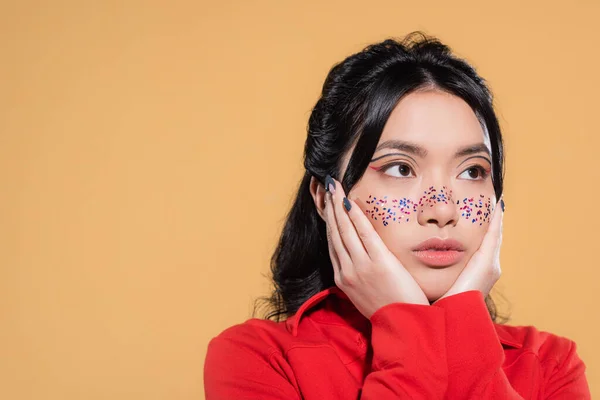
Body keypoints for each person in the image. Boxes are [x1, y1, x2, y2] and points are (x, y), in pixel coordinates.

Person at [203, 31, 590, 399]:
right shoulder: (261, 360)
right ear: (325, 197)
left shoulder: (549, 365)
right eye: (400, 168)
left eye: (473, 171)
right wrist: (406, 323)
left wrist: (459, 327)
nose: (442, 209)